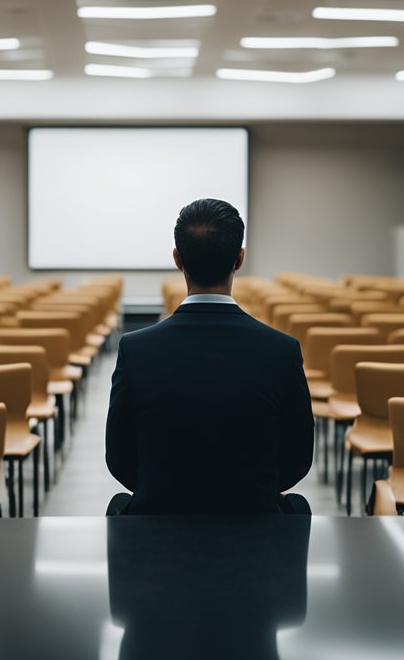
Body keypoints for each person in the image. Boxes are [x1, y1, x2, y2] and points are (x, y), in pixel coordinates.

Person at [105, 198, 313, 515]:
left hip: (158, 530)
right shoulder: (281, 350)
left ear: (177, 258)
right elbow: (296, 460)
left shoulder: (136, 349)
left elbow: (120, 460)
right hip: (256, 530)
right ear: (239, 259)